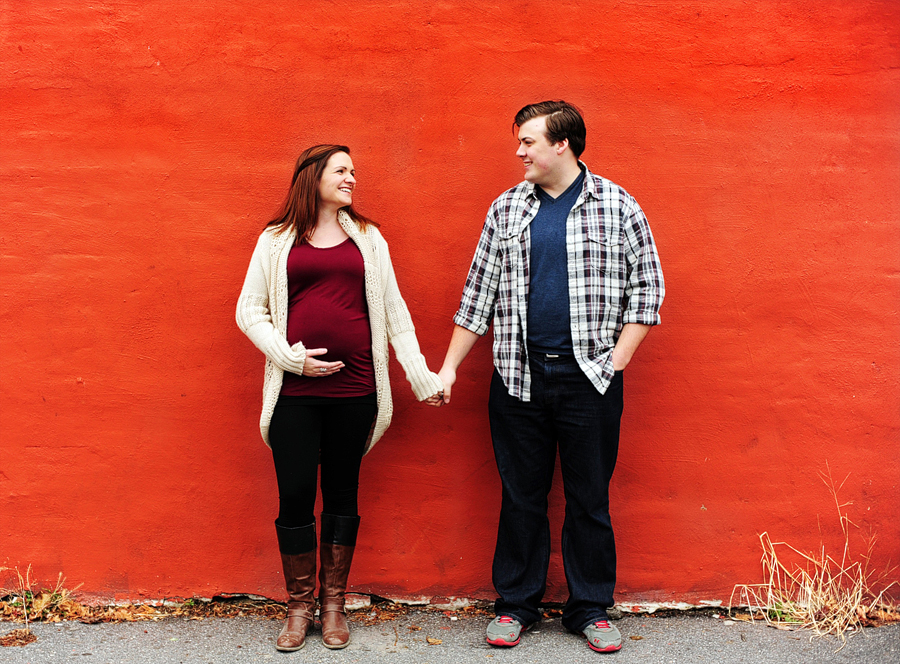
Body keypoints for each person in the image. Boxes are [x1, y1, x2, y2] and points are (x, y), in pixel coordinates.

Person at [436, 102, 664, 654]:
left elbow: (649, 288)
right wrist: (447, 367)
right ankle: (516, 605)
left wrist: (618, 358)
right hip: (518, 378)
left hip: (591, 380)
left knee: (589, 498)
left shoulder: (618, 205)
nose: (520, 152)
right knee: (521, 497)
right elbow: (477, 296)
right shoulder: (507, 208)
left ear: (562, 144)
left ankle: (589, 608)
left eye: (529, 142)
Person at [236, 144, 444, 652]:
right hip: (295, 392)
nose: (352, 178)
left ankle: (333, 606)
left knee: (343, 493)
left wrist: (421, 378)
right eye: (342, 170)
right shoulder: (275, 240)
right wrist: (289, 358)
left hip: (356, 393)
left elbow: (394, 313)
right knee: (295, 494)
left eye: (354, 171)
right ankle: (298, 606)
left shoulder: (369, 240)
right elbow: (249, 311)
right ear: (313, 177)